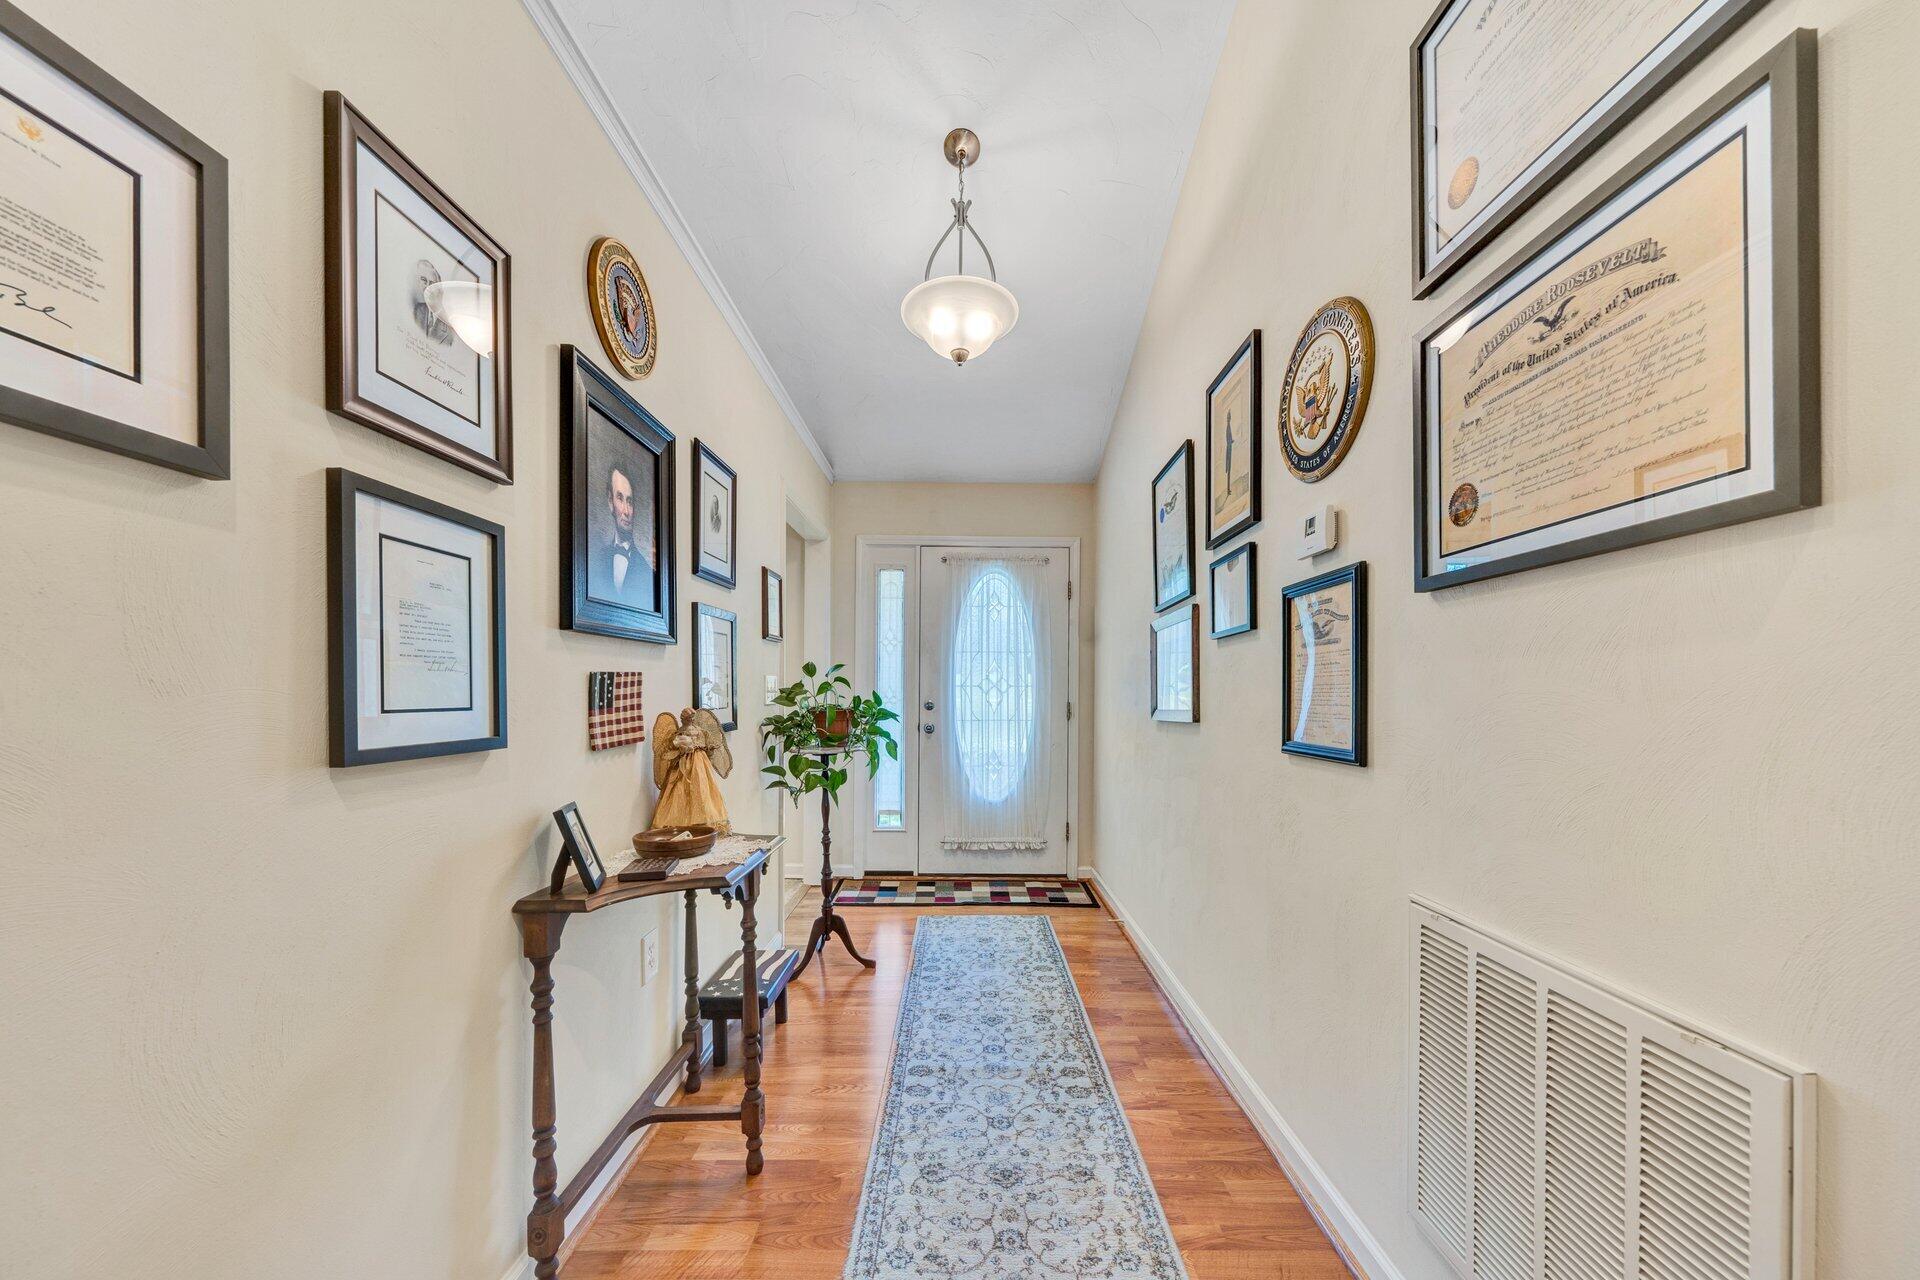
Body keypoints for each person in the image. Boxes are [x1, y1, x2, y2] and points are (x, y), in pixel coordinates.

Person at [589, 464, 654, 607]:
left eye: (629, 501)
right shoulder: (594, 561)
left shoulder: (647, 573)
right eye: (620, 498)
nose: (626, 510)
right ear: (610, 502)